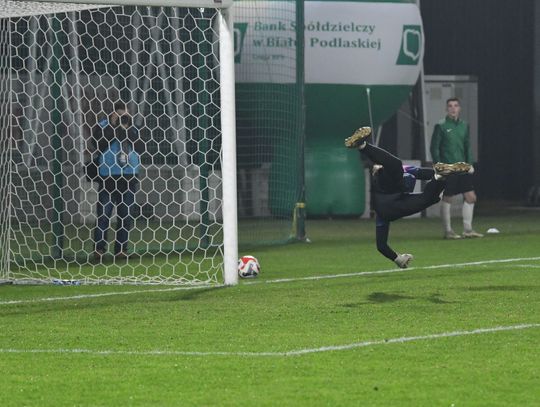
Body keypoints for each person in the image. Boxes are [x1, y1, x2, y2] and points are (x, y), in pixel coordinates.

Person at [345, 126, 472, 268]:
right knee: (401, 169)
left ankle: (440, 177)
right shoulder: (396, 171)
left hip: (392, 207)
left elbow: (381, 246)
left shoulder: (397, 178)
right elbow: (420, 172)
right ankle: (362, 145)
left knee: (431, 197)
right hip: (388, 195)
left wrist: (398, 259)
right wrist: (445, 173)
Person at [91, 103, 144, 260]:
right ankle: (99, 250)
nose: (123, 118)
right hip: (108, 178)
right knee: (103, 215)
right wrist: (113, 126)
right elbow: (98, 144)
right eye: (119, 115)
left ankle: (121, 249)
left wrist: (126, 128)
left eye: (125, 115)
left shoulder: (134, 127)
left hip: (128, 177)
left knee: (126, 215)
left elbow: (140, 147)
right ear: (113, 114)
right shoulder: (103, 126)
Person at [430, 97, 483, 239]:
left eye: (456, 105)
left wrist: (470, 163)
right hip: (448, 167)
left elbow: (467, 145)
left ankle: (468, 230)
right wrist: (438, 165)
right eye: (450, 106)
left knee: (471, 197)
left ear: (459, 108)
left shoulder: (464, 125)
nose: (453, 108)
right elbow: (434, 147)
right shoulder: (441, 126)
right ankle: (448, 231)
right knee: (448, 198)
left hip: (462, 167)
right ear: (446, 109)